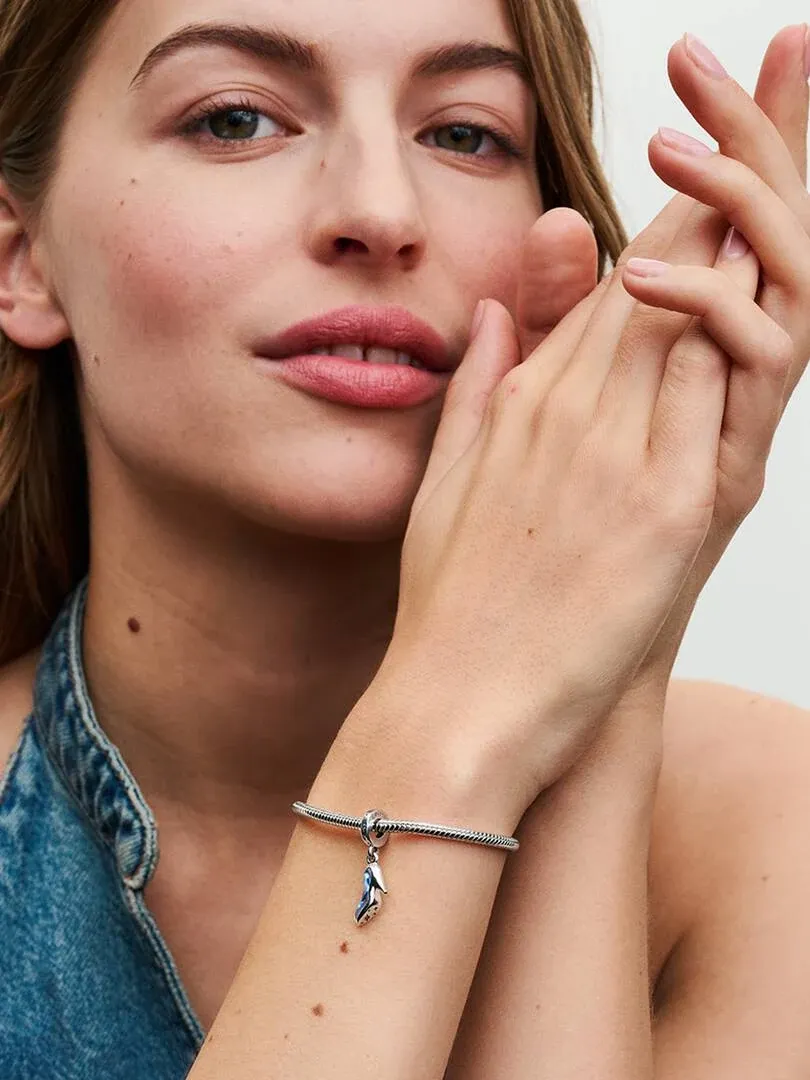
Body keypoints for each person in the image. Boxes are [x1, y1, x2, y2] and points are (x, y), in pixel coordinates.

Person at [0, 0, 808, 1076]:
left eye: (463, 133)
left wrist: (615, 668)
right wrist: (448, 721)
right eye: (236, 120)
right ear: (21, 259)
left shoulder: (768, 829)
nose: (380, 211)